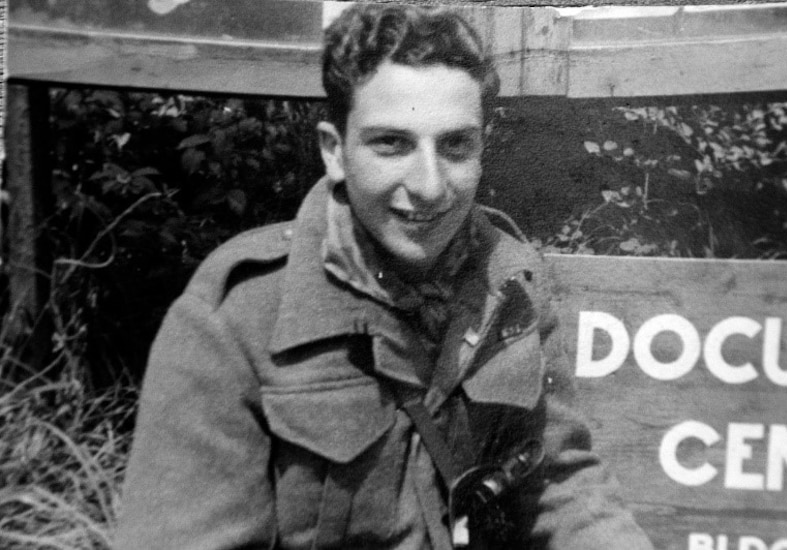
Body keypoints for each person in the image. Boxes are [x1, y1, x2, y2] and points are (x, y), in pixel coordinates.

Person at [114, 4, 655, 549]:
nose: (428, 185)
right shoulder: (237, 318)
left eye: (455, 145)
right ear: (335, 152)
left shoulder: (510, 283)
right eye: (392, 144)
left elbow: (560, 485)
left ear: (482, 148)